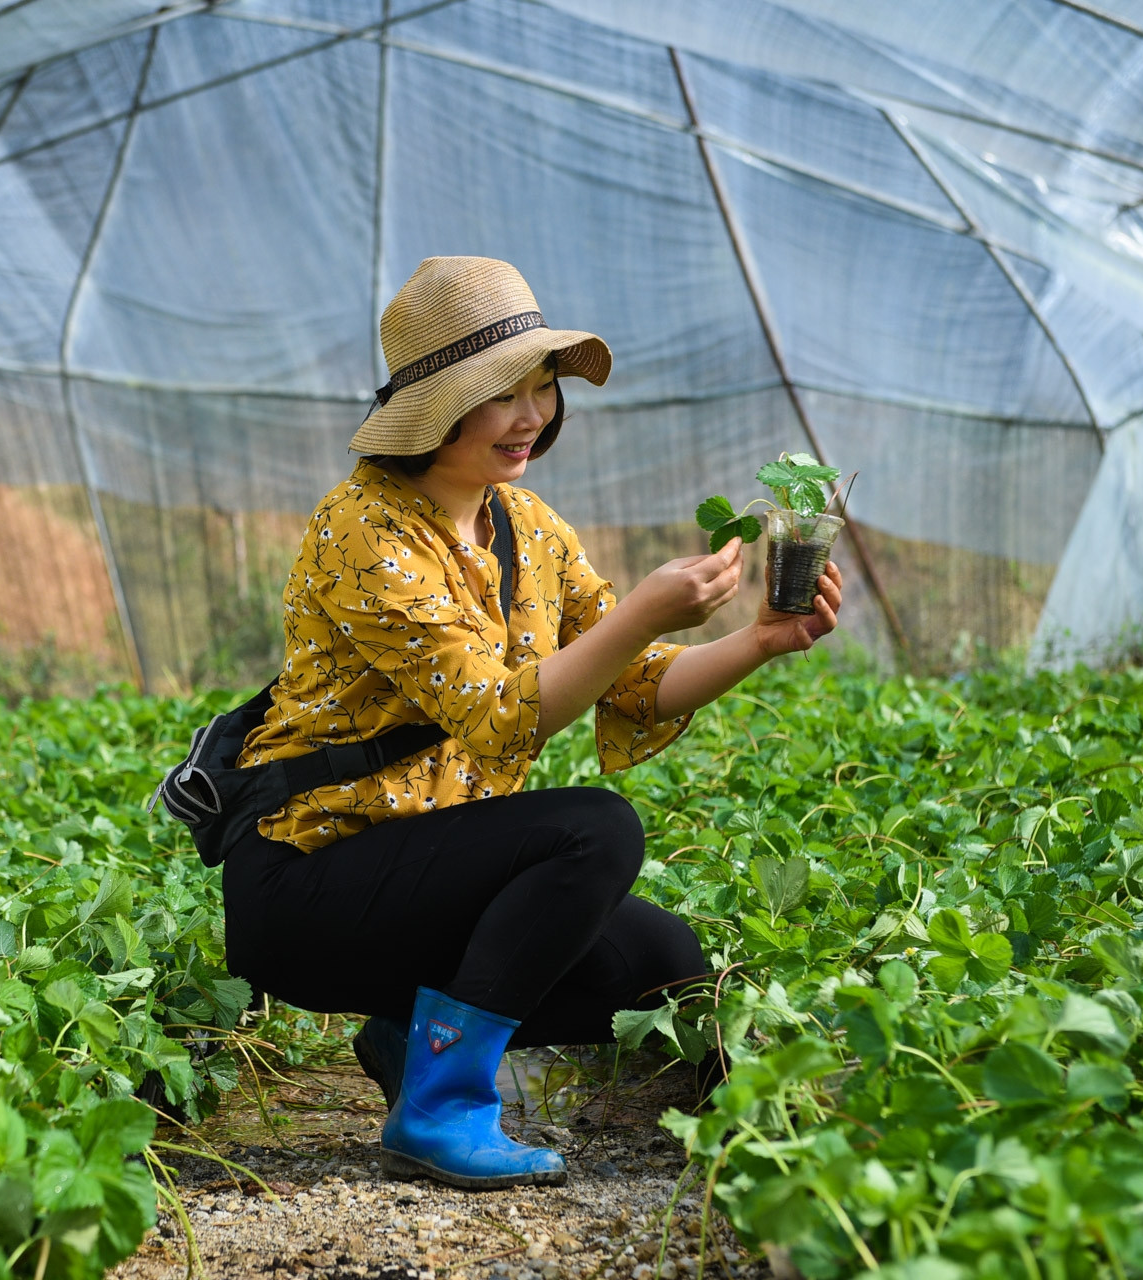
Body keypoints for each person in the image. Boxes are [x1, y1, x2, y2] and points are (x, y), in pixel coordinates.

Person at [224, 256, 844, 1189]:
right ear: (433, 407)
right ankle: (441, 1107)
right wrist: (641, 609)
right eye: (502, 394)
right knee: (594, 831)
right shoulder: (363, 530)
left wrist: (761, 641)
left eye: (543, 388)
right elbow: (495, 719)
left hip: (427, 868)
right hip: (309, 885)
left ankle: (406, 1039)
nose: (533, 416)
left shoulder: (528, 527)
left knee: (662, 966)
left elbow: (635, 686)